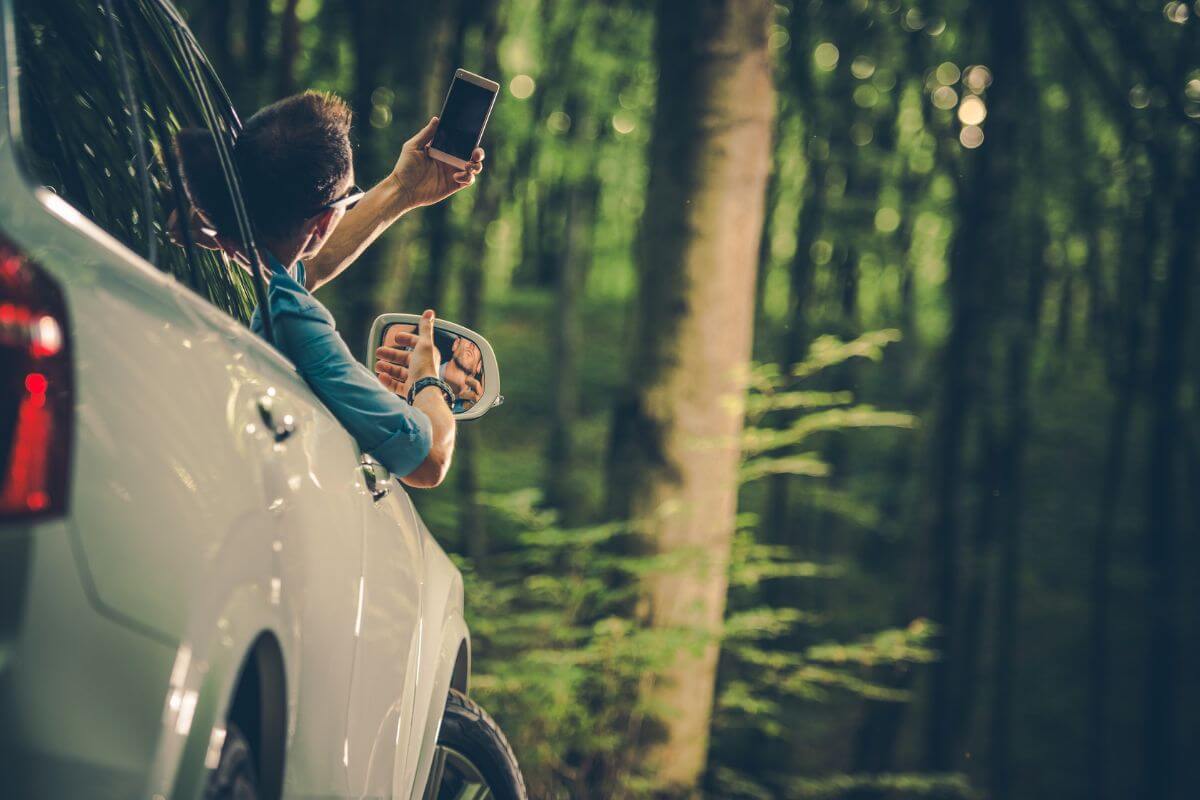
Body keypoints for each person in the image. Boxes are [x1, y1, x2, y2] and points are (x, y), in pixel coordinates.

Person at [174, 91, 484, 488]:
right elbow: (429, 460)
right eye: (348, 201)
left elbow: (308, 265)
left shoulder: (256, 271)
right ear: (322, 224)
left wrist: (403, 189)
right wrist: (427, 377)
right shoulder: (295, 321)